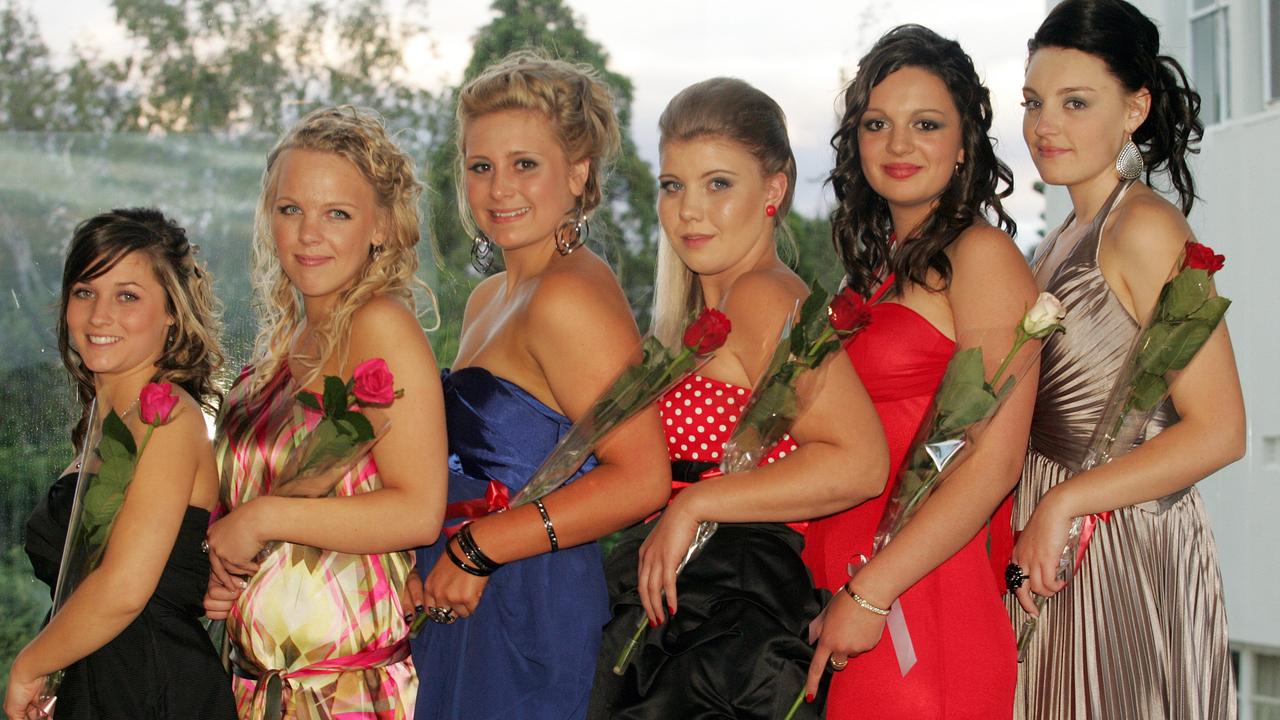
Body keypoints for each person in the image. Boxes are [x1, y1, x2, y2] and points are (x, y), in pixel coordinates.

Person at [588, 77, 888, 720]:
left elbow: (859, 462)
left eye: (718, 184)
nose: (689, 210)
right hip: (695, 599)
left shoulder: (765, 297)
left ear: (774, 190)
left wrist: (695, 502)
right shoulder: (707, 307)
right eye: (674, 185)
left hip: (734, 610)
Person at [402, 51, 670, 720]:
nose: (498, 189)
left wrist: (480, 547)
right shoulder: (490, 296)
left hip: (524, 597)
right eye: (480, 166)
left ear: (577, 173)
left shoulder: (568, 299)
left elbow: (642, 478)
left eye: (525, 164)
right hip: (460, 587)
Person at [1008, 1, 1243, 717]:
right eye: (1034, 101)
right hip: (1055, 535)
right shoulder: (1053, 242)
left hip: (1123, 542)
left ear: (1134, 108)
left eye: (1076, 102)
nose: (1046, 125)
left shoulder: (1145, 225)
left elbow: (1220, 429)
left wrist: (1064, 502)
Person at [800, 25, 1039, 719]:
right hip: (859, 596)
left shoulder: (983, 256)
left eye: (925, 124)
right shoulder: (876, 278)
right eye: (878, 123)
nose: (899, 145)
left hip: (924, 600)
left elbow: (993, 463)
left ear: (964, 144)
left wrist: (875, 592)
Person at [202, 106, 448, 718]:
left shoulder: (380, 326)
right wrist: (222, 566)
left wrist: (258, 519)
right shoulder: (277, 353)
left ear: (382, 226)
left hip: (348, 699)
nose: (309, 233)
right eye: (291, 210)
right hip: (255, 691)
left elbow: (419, 511)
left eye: (336, 213)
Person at [6, 208, 236, 720]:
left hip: (153, 690)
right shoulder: (107, 421)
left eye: (127, 296)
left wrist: (28, 666)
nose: (99, 315)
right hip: (100, 684)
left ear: (172, 311)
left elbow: (125, 589)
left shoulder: (168, 417)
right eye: (85, 291)